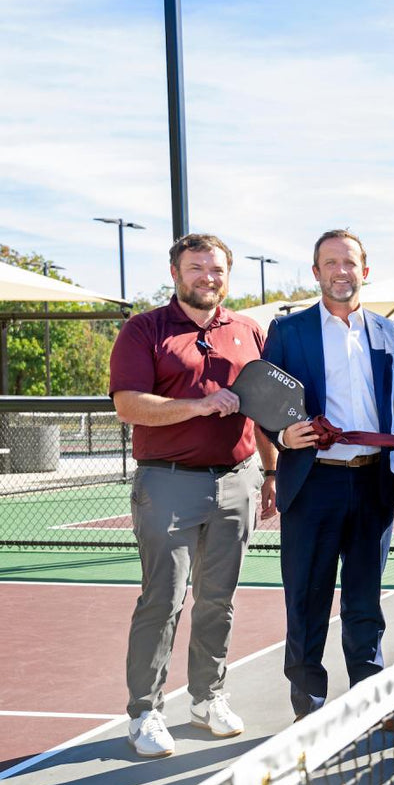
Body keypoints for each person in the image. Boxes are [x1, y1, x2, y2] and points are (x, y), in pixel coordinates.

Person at [109, 233, 277, 758]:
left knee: (218, 599)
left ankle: (207, 698)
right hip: (168, 482)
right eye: (197, 267)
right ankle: (145, 711)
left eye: (218, 269)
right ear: (176, 273)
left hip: (238, 480)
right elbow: (128, 406)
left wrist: (270, 474)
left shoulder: (248, 330)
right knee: (163, 598)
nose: (208, 277)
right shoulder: (143, 331)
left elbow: (265, 407)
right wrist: (197, 406)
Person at [262, 230, 394, 726]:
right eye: (330, 263)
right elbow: (266, 401)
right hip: (312, 484)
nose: (341, 271)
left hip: (375, 483)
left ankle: (370, 702)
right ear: (316, 273)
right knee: (307, 599)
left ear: (364, 271)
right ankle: (308, 712)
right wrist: (284, 436)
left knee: (365, 598)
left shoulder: (391, 333)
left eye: (349, 262)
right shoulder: (289, 332)